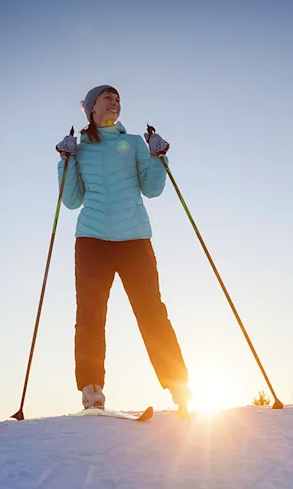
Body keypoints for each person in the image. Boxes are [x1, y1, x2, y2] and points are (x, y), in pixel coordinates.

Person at [55, 84, 192, 417]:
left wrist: (159, 156)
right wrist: (66, 160)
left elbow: (153, 188)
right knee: (89, 315)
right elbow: (71, 200)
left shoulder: (133, 144)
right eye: (107, 98)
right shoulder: (80, 149)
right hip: (92, 240)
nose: (115, 101)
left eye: (118, 98)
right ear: (92, 109)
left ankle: (178, 387)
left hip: (134, 240)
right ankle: (91, 391)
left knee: (152, 312)